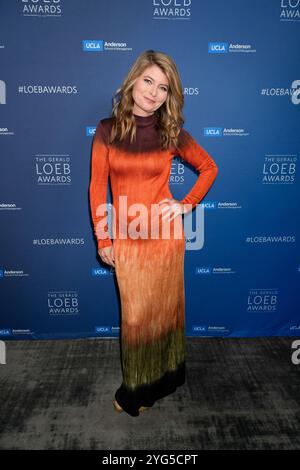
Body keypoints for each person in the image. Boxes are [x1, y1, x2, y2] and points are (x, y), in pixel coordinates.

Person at [89, 49, 218, 417]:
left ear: (169, 95)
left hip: (166, 240)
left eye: (163, 87)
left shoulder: (171, 131)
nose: (153, 92)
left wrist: (185, 204)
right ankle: (137, 389)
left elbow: (209, 167)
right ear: (133, 81)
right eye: (148, 81)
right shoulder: (107, 130)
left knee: (166, 314)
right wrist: (104, 238)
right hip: (128, 240)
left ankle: (163, 381)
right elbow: (98, 188)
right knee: (135, 320)